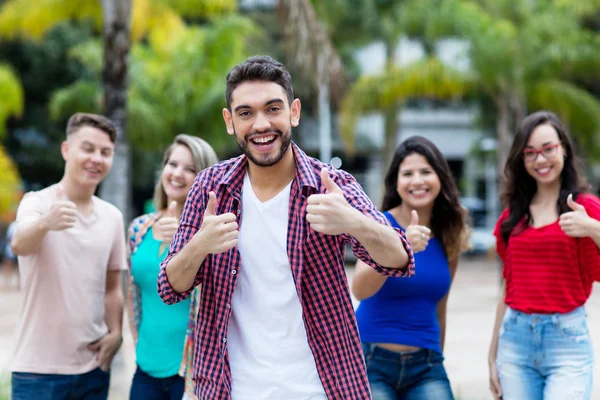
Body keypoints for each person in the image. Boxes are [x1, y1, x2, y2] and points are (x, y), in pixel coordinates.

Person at [156, 55, 415, 400]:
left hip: (319, 387)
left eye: (272, 109)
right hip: (231, 388)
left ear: (293, 111)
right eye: (246, 113)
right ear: (230, 121)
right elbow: (171, 287)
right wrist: (199, 245)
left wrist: (352, 221)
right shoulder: (210, 187)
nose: (261, 124)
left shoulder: (330, 184)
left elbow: (398, 259)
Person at [9, 113, 127, 400]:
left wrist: (116, 333)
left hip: (93, 369)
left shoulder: (112, 217)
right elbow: (19, 244)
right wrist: (45, 223)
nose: (96, 159)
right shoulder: (37, 202)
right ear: (66, 150)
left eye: (105, 152)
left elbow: (113, 287)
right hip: (37, 372)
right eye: (87, 148)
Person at [488, 110, 600, 400]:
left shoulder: (585, 208)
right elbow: (507, 286)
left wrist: (592, 228)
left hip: (567, 341)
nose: (540, 160)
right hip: (515, 341)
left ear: (563, 148)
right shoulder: (512, 217)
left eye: (548, 149)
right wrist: (492, 353)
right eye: (530, 153)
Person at [352, 136, 469, 400]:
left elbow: (440, 308)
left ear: (440, 177)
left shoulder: (449, 233)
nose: (417, 181)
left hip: (426, 365)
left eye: (426, 172)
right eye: (408, 173)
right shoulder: (379, 223)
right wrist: (402, 247)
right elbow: (359, 289)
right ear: (397, 182)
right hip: (371, 360)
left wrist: (438, 356)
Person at [127, 134, 218, 400]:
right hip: (145, 372)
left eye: (190, 169)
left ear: (204, 177)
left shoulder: (212, 233)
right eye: (172, 163)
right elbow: (133, 297)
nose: (177, 173)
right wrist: (137, 344)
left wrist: (187, 241)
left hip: (193, 377)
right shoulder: (138, 230)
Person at [2, 221, 19, 290]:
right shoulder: (13, 225)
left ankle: (18, 284)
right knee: (8, 265)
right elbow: (8, 237)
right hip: (11, 247)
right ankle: (6, 282)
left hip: (16, 247)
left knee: (18, 267)